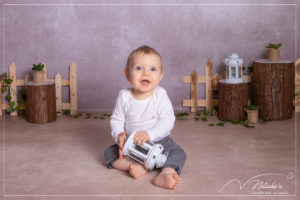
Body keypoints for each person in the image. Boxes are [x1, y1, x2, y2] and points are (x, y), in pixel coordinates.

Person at [104, 45, 186, 190]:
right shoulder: (124, 97)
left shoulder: (160, 95)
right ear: (127, 74)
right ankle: (135, 165)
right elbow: (116, 119)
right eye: (139, 68)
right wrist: (119, 135)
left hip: (159, 141)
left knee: (178, 153)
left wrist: (150, 134)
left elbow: (168, 120)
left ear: (160, 76)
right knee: (109, 153)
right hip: (132, 144)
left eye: (153, 69)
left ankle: (166, 172)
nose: (146, 73)